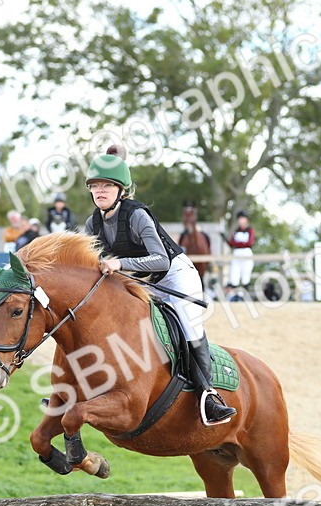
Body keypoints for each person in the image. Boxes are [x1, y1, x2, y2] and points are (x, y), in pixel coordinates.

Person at [84, 145, 236, 426]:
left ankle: (209, 396)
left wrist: (120, 263)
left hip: (175, 274)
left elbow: (160, 260)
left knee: (189, 327)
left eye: (107, 185)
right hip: (140, 283)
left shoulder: (137, 215)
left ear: (121, 190)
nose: (100, 191)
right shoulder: (92, 224)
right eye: (95, 186)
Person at [225, 211, 256, 302]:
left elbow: (250, 243)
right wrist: (241, 244)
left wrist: (238, 244)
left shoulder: (250, 230)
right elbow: (231, 242)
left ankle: (244, 295)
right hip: (236, 254)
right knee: (235, 274)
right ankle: (236, 295)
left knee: (245, 274)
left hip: (246, 253)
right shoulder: (236, 231)